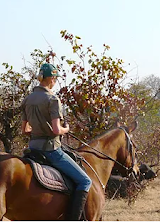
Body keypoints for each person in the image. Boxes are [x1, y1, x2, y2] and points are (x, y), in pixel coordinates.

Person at [21, 63, 92, 220]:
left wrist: (38, 130)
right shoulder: (53, 99)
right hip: (51, 150)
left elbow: (25, 130)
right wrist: (66, 129)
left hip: (32, 149)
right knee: (85, 181)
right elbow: (56, 130)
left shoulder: (28, 99)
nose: (56, 81)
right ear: (52, 78)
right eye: (55, 79)